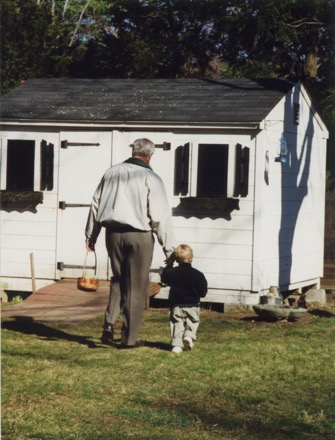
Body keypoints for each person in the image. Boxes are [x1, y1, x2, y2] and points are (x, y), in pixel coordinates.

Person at [85, 138, 175, 348]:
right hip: (139, 235)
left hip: (113, 234)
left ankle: (108, 325)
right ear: (150, 155)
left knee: (118, 279)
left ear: (133, 151)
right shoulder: (150, 177)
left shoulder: (111, 172)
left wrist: (91, 235)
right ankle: (129, 339)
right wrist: (168, 247)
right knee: (136, 286)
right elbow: (160, 216)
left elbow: (95, 204)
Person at [160, 244, 207, 353]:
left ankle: (176, 345)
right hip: (193, 304)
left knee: (177, 323)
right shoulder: (198, 275)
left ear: (177, 259)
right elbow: (203, 292)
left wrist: (169, 265)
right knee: (192, 321)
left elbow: (164, 278)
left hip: (176, 305)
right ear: (191, 258)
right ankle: (189, 336)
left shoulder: (173, 273)